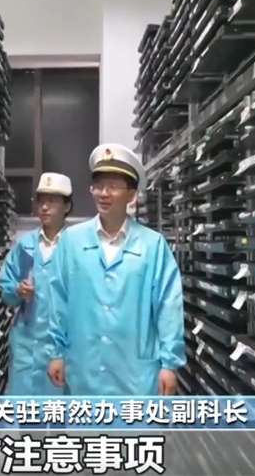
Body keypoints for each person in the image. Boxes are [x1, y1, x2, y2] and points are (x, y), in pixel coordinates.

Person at [46, 143, 185, 396]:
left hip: (135, 376)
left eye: (112, 186)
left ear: (131, 195)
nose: (103, 193)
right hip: (84, 369)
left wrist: (169, 363)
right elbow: (58, 299)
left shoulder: (152, 246)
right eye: (98, 186)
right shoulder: (72, 242)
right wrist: (56, 351)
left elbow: (168, 306)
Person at [0, 172, 73, 396]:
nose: (44, 207)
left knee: (58, 410)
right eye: (41, 201)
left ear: (67, 206)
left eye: (52, 201)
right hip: (27, 344)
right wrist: (17, 291)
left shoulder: (76, 246)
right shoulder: (25, 245)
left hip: (62, 347)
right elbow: (6, 284)